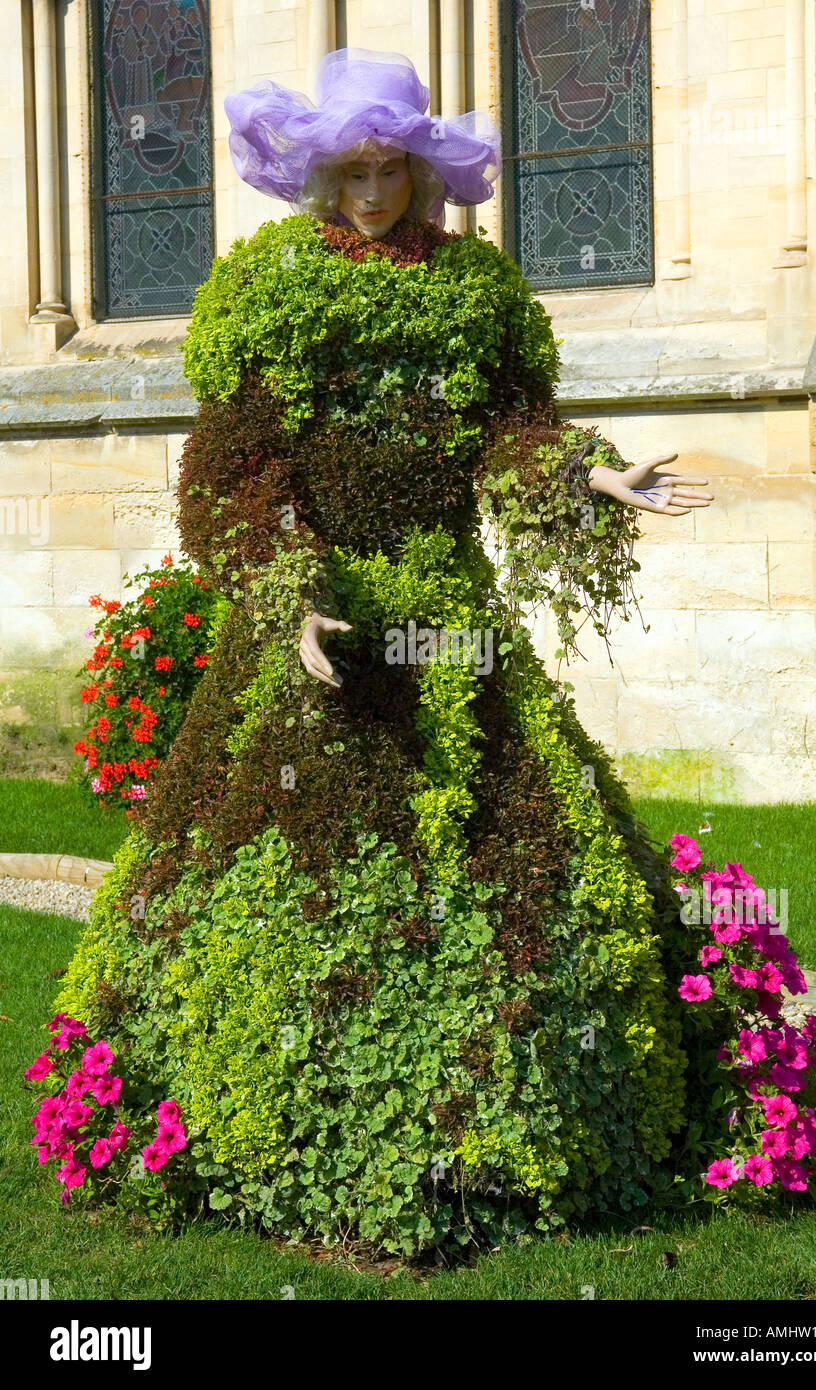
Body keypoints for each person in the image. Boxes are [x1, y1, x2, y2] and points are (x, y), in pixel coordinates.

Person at [57, 48, 731, 1255]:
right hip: (316, 634)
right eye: (352, 168)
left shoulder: (477, 296)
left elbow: (507, 438)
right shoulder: (266, 290)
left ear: (422, 170)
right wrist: (286, 589)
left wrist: (589, 478)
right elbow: (232, 468)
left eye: (392, 167)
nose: (372, 189)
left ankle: (516, 1129)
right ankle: (240, 1115)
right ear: (322, 174)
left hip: (450, 628)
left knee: (509, 856)